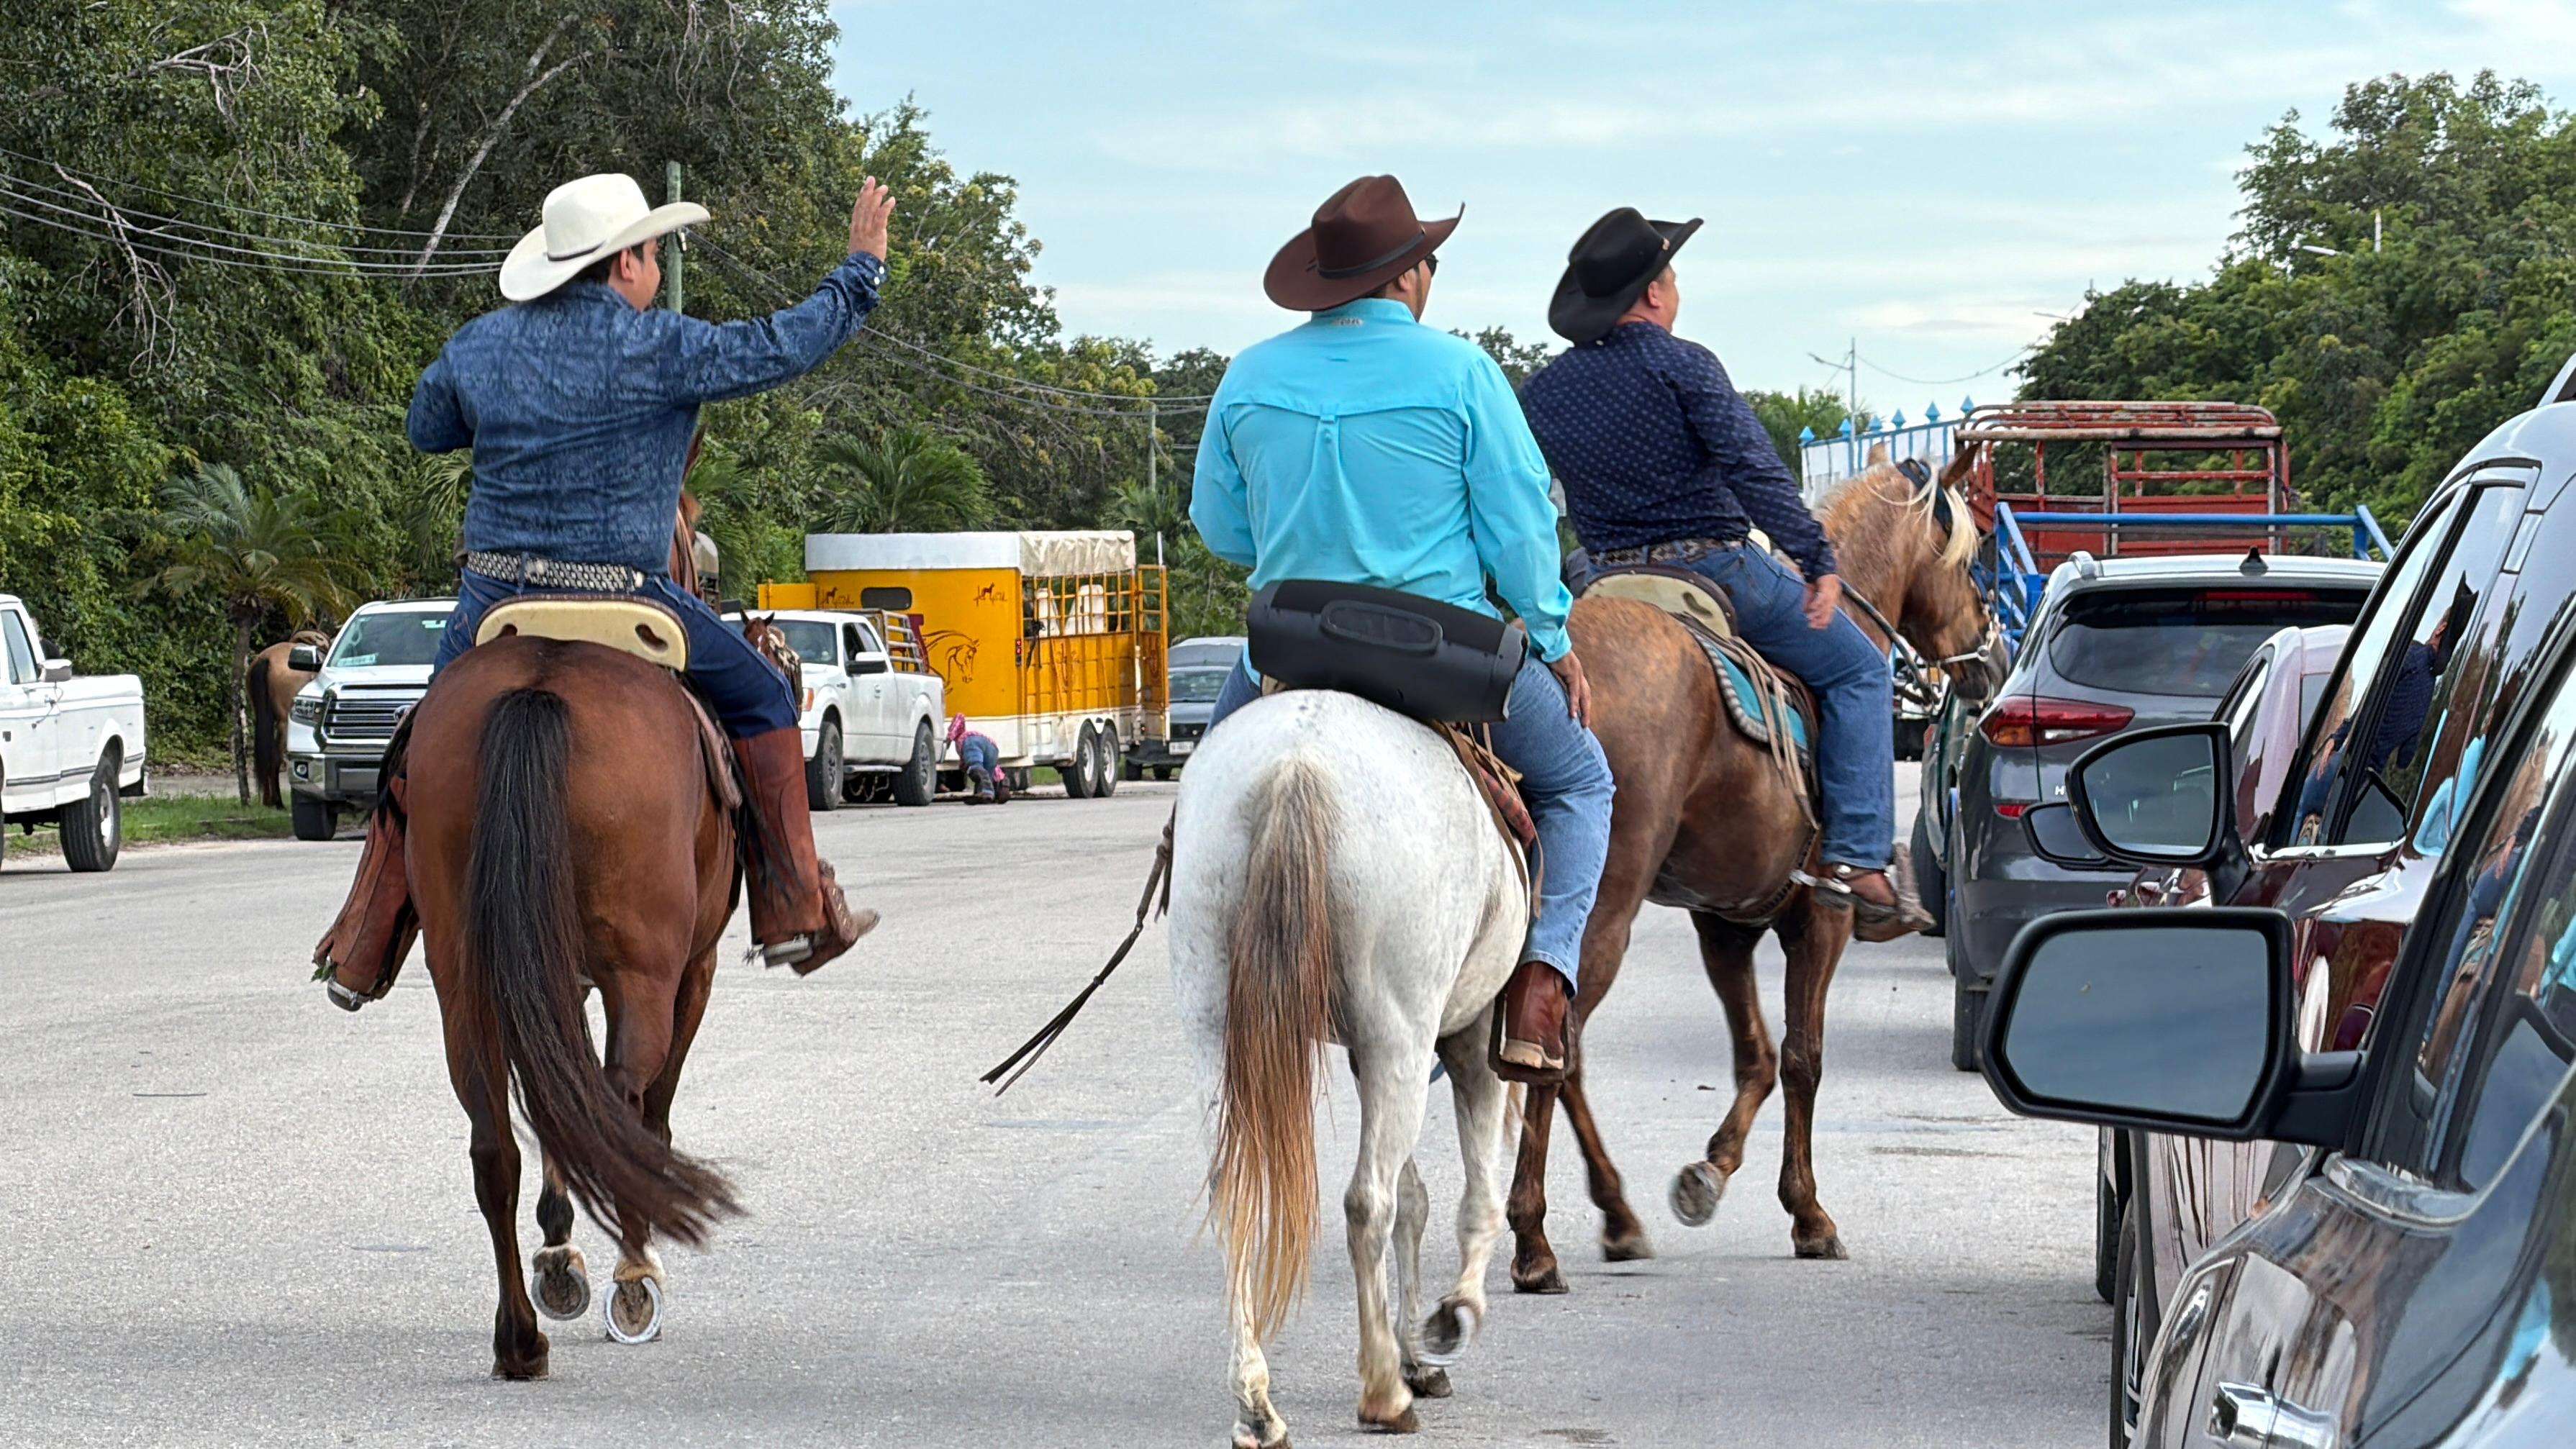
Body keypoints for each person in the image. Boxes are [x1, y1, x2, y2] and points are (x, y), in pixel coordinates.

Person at [312, 171, 894, 1006]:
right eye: (653, 253)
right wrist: (859, 272)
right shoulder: (662, 345)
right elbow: (780, 346)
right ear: (625, 263)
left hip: (492, 604)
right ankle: (793, 906)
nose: (655, 269)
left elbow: (424, 427)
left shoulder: (481, 343)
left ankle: (367, 942)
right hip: (629, 598)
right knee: (765, 693)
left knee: (419, 743)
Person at [1191, 174, 1615, 1081]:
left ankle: (1212, 954)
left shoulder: (1248, 374)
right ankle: (1541, 986)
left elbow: (1221, 529)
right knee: (1583, 780)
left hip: (1292, 643)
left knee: (1201, 800)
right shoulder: (1463, 372)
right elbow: (1518, 530)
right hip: (1444, 654)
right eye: (1431, 259)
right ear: (1410, 276)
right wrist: (1551, 635)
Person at [1520, 207, 1926, 937]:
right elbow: (1752, 469)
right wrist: (1815, 556)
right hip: (1713, 567)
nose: (1675, 293)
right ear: (1652, 295)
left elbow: (1522, 496)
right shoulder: (1683, 364)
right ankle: (1859, 860)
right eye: (1672, 280)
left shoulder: (1544, 391)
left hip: (1599, 578)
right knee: (1861, 669)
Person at [947, 714, 1011, 804]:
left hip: (972, 743)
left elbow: (959, 717)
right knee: (990, 771)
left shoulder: (962, 739)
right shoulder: (977, 735)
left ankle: (987, 792)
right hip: (992, 746)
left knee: (975, 766)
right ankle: (1001, 787)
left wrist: (950, 736)